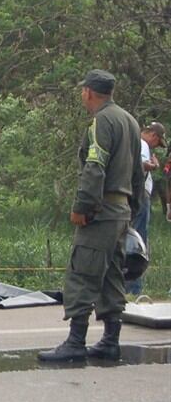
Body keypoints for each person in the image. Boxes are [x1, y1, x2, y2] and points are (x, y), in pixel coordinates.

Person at [38, 70, 144, 362]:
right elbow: (137, 173)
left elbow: (94, 167)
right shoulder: (131, 122)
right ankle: (111, 340)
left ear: (88, 92)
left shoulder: (102, 122)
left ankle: (75, 341)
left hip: (102, 210)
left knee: (82, 272)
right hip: (121, 211)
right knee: (112, 275)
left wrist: (83, 206)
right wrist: (132, 211)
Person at [127, 121, 166, 294]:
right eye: (157, 142)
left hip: (133, 193)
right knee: (139, 240)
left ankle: (126, 285)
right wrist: (154, 165)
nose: (156, 145)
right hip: (141, 194)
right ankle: (134, 288)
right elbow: (142, 165)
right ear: (153, 136)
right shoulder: (142, 144)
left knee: (131, 237)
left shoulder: (132, 141)